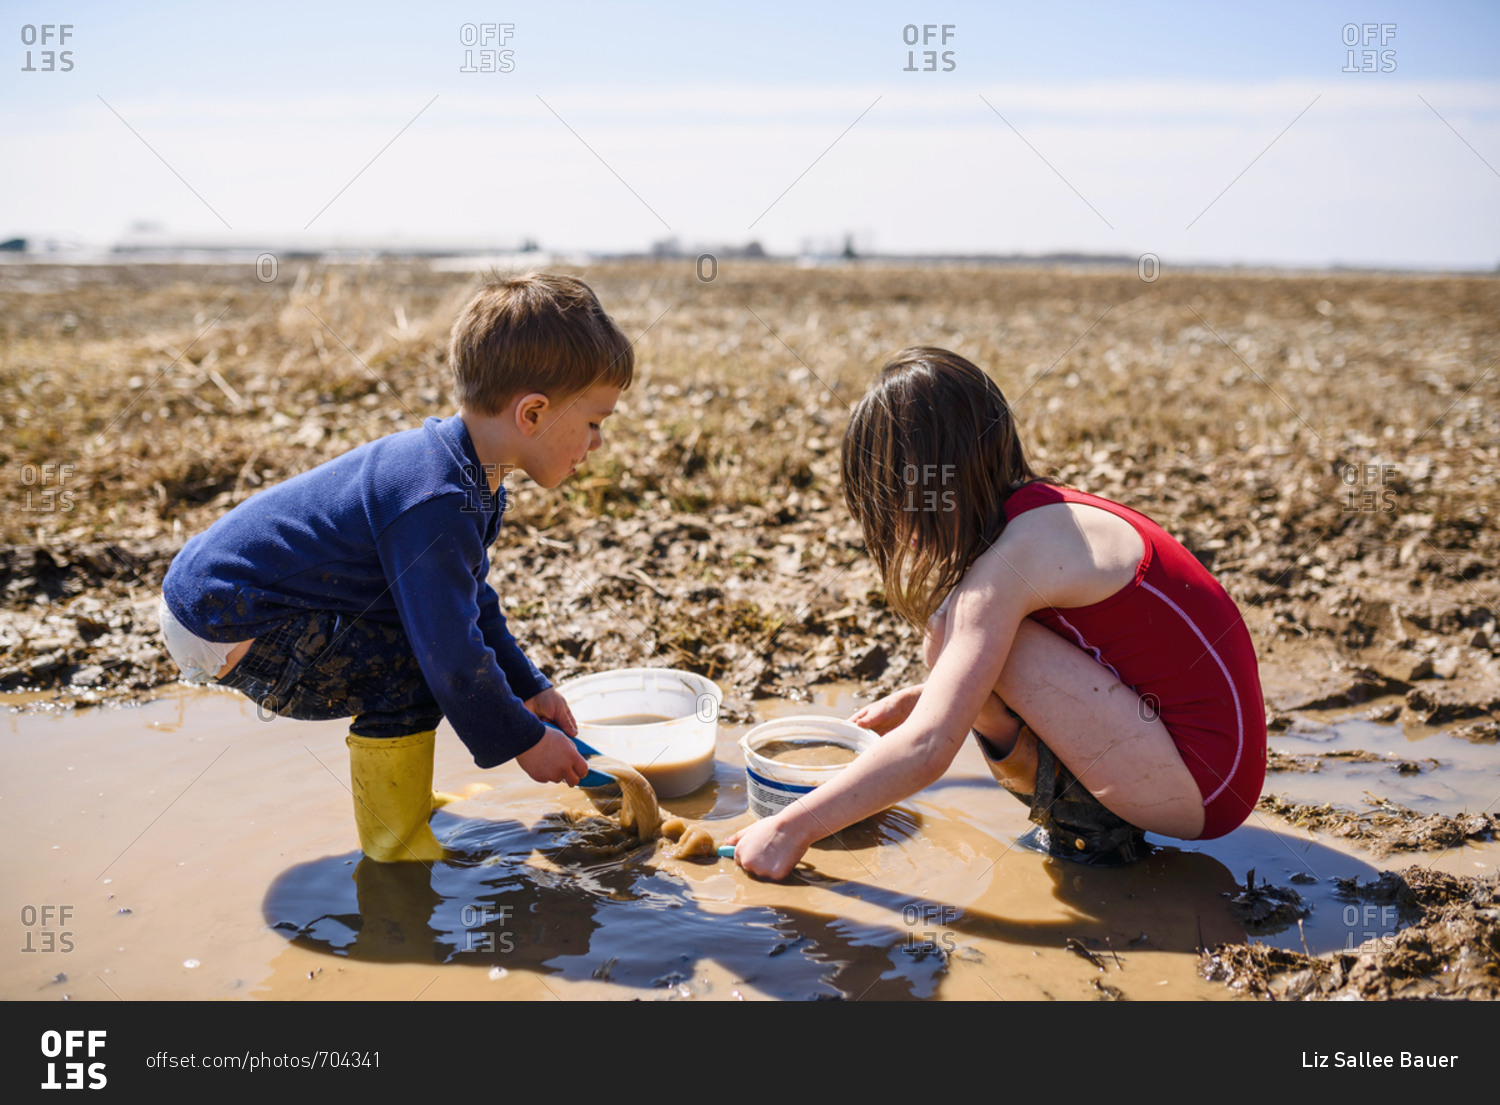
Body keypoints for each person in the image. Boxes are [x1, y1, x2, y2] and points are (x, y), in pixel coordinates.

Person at [729, 346, 1266, 879]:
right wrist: (924, 699)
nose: (900, 530)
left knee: (954, 634)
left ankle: (1089, 830)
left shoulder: (1010, 565)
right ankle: (1094, 818)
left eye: (892, 507)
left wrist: (788, 828)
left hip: (1204, 787)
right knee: (964, 644)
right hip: (1213, 765)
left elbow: (928, 749)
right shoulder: (1040, 518)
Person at [158, 273, 630, 862]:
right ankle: (396, 845)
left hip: (235, 603)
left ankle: (401, 794)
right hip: (228, 618)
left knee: (426, 636)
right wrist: (525, 741)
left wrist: (528, 687)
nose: (598, 444)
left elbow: (471, 602)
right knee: (415, 665)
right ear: (532, 413)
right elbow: (452, 657)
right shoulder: (436, 497)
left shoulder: (468, 474)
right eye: (594, 423)